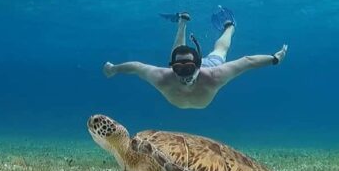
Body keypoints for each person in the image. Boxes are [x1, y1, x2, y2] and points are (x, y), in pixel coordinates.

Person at [103, 7, 288, 109]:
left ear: (198, 66)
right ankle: (182, 22)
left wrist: (274, 59)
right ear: (172, 68)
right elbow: (136, 67)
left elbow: (246, 62)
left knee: (220, 51)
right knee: (179, 52)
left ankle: (230, 27)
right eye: (179, 69)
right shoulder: (163, 77)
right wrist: (114, 69)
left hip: (209, 66)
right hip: (187, 66)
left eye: (188, 68)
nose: (184, 74)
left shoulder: (215, 75)